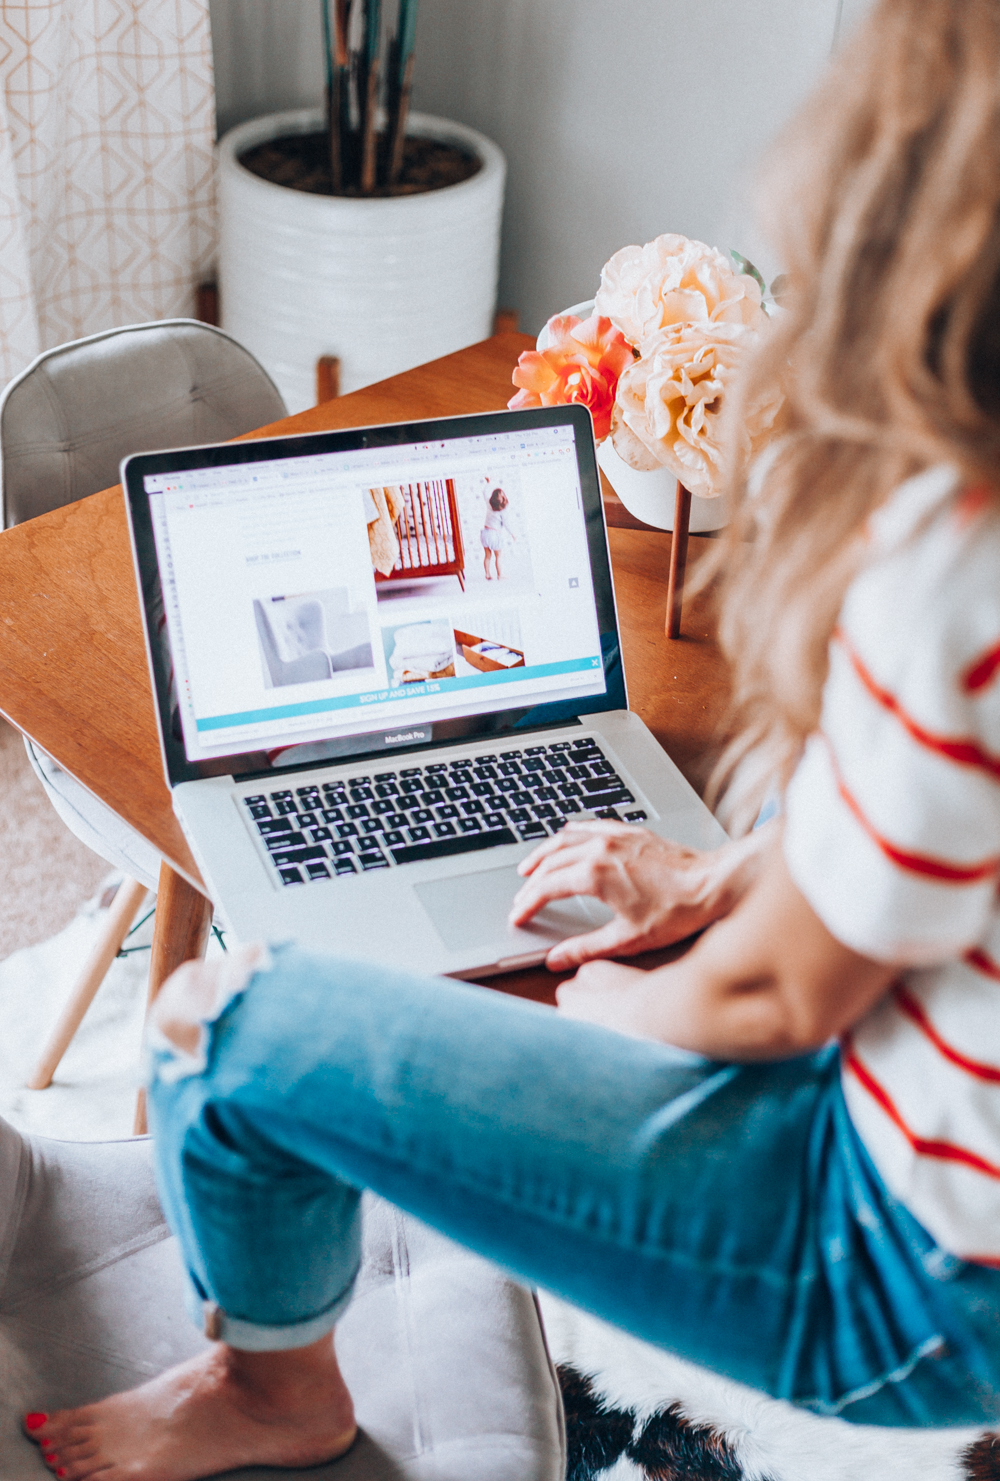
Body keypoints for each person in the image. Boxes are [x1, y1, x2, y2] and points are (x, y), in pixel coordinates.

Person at [22, 2, 1000, 1476]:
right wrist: (724, 877)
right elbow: (931, 834)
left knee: (216, 1027)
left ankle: (277, 1388)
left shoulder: (956, 561)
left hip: (897, 1267)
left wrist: (623, 1016)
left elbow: (769, 1007)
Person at [480, 485, 515, 579]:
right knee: (498, 555)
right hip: (494, 534)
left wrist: (488, 483)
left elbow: (484, 492)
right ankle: (500, 575)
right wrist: (512, 534)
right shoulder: (502, 511)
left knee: (487, 555)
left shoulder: (489, 504)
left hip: (485, 533)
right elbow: (506, 524)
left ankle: (487, 574)